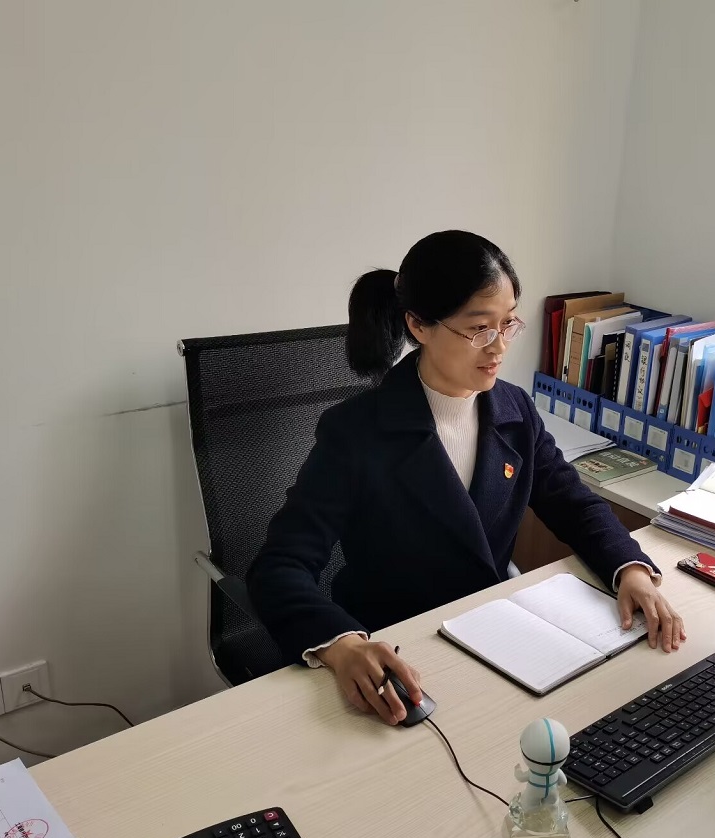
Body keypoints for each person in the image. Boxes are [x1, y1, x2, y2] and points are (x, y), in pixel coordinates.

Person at [247, 230, 685, 725]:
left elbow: (573, 504)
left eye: (508, 323)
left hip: (494, 632)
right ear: (419, 325)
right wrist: (342, 644)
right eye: (479, 328)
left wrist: (630, 568)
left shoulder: (515, 409)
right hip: (399, 651)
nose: (499, 347)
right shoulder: (356, 431)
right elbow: (279, 566)